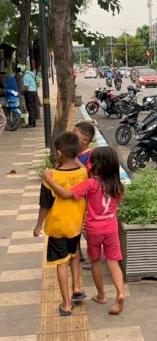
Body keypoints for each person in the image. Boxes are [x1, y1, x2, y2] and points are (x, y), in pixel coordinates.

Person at [43, 147, 126, 315]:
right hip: (111, 228)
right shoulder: (117, 185)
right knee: (113, 261)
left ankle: (102, 295)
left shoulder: (91, 184)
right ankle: (120, 293)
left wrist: (49, 179)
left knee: (95, 261)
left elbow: (66, 194)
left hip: (94, 229)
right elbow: (119, 202)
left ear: (96, 164)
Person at [33, 132, 88, 316]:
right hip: (75, 225)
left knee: (61, 263)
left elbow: (44, 205)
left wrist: (38, 225)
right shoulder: (83, 173)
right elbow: (80, 167)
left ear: (58, 152)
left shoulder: (51, 177)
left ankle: (66, 304)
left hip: (58, 227)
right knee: (74, 256)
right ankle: (77, 287)